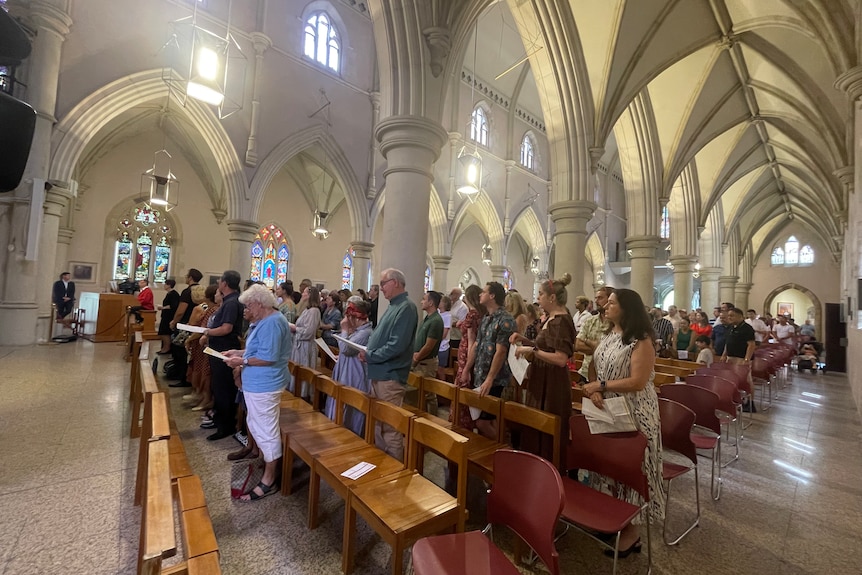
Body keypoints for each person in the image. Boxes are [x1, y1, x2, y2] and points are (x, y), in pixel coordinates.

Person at [582, 289, 664, 556]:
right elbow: (595, 365)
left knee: (632, 467)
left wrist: (601, 385)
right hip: (607, 407)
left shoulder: (641, 340)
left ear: (627, 308)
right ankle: (611, 518)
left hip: (636, 412)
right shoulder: (608, 336)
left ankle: (632, 533)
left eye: (612, 303)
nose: (606, 305)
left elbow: (638, 381)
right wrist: (594, 389)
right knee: (610, 465)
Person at [222, 284, 291, 500]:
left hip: (266, 385)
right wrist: (239, 352)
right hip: (257, 384)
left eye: (249, 306)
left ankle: (269, 479)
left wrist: (240, 361)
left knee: (267, 430)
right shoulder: (265, 320)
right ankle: (266, 463)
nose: (246, 310)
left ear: (259, 304)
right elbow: (258, 350)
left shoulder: (271, 323)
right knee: (257, 425)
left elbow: (269, 357)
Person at [511, 273, 575, 471]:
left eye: (540, 294)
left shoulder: (561, 321)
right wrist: (524, 339)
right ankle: (537, 468)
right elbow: (544, 347)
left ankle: (549, 471)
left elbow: (560, 358)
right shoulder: (551, 319)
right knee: (536, 424)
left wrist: (532, 350)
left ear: (552, 298)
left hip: (553, 382)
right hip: (542, 377)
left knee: (547, 428)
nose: (537, 298)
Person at [359, 268, 417, 461]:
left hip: (391, 376)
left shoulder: (406, 307)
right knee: (377, 424)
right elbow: (382, 338)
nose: (380, 287)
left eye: (383, 283)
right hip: (380, 373)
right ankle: (383, 468)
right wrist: (369, 352)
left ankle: (395, 478)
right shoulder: (393, 306)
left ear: (396, 282)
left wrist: (371, 356)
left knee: (390, 429)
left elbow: (397, 345)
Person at [461, 282, 515, 440]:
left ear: (492, 296)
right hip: (480, 374)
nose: (480, 295)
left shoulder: (505, 320)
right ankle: (494, 455)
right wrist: (466, 370)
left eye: (483, 292)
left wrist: (490, 379)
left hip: (495, 380)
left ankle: (505, 451)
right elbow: (476, 345)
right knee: (485, 421)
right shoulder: (486, 318)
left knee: (483, 422)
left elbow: (501, 352)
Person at [199, 270, 244, 441]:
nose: (218, 282)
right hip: (219, 348)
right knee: (218, 386)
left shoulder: (232, 302)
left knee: (224, 388)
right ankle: (219, 419)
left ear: (225, 283)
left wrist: (207, 331)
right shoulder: (228, 301)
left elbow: (227, 328)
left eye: (220, 280)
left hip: (225, 348)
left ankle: (225, 426)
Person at [325, 298, 373, 436]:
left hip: (354, 375)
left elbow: (346, 348)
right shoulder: (358, 330)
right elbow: (347, 351)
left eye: (348, 317)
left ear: (354, 317)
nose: (345, 320)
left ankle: (349, 435)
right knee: (340, 402)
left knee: (349, 405)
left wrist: (345, 330)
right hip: (346, 370)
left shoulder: (365, 332)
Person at [452, 285, 485, 430]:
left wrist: (467, 367)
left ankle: (462, 427)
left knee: (464, 389)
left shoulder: (472, 314)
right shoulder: (481, 314)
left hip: (467, 355)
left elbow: (472, 341)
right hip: (471, 356)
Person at [167, 268, 202, 388]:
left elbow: (181, 311)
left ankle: (181, 377)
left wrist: (174, 321)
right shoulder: (201, 290)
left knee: (179, 352)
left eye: (187, 276)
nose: (186, 278)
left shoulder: (187, 292)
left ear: (190, 277)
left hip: (185, 325)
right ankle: (186, 376)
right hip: (195, 326)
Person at [412, 291, 444, 415]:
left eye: (424, 299)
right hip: (421, 360)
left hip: (426, 362)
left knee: (428, 394)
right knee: (419, 393)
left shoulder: (436, 320)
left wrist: (416, 358)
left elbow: (429, 345)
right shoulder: (428, 318)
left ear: (430, 303)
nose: (421, 301)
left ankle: (432, 420)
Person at [575, 286, 614, 383]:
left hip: (607, 375)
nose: (596, 301)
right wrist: (599, 348)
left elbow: (613, 351)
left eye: (600, 298)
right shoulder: (590, 320)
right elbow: (578, 345)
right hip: (586, 372)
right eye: (596, 298)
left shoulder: (615, 323)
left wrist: (587, 341)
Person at [290, 286, 321, 399]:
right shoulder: (307, 310)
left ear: (309, 295)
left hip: (305, 346)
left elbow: (308, 332)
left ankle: (303, 395)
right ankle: (296, 392)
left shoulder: (314, 311)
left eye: (304, 292)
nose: (302, 294)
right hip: (299, 344)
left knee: (304, 371)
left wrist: (294, 328)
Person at [156, 279, 180, 354]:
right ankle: (164, 347)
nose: (164, 285)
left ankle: (167, 348)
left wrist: (162, 307)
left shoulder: (174, 294)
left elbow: (173, 305)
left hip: (169, 317)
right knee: (163, 332)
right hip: (166, 316)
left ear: (169, 285)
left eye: (165, 284)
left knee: (165, 333)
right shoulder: (169, 293)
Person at [436, 295, 452, 377]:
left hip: (442, 347)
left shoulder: (447, 316)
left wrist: (435, 340)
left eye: (441, 301)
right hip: (436, 346)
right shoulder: (438, 313)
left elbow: (444, 334)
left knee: (440, 370)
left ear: (445, 304)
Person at [448, 287, 467, 351]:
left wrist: (449, 323)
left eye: (451, 293)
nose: (449, 295)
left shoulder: (462, 307)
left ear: (457, 295)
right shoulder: (450, 304)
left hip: (457, 337)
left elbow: (462, 322)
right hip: (449, 335)